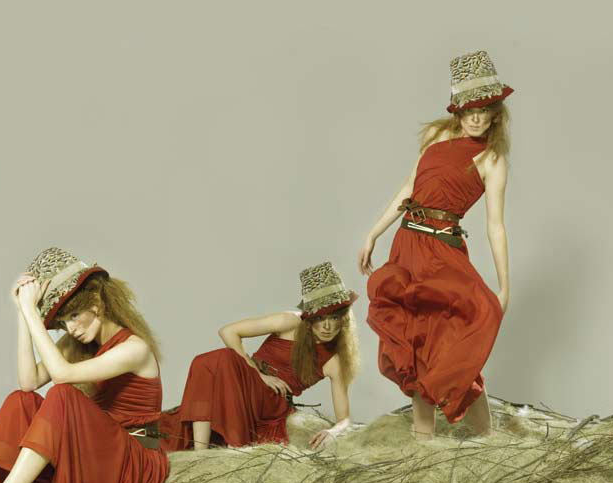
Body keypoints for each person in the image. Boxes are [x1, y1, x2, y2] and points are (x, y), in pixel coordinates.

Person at [0, 247, 168, 483]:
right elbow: (28, 382)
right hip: (96, 447)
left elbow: (62, 376)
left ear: (96, 303)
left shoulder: (135, 349)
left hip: (133, 457)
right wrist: (23, 315)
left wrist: (32, 312)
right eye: (63, 323)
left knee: (62, 394)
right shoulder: (79, 342)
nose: (71, 329)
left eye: (74, 316)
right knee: (21, 400)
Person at [358, 50, 511, 439]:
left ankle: (487, 438)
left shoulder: (492, 159)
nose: (476, 117)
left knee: (452, 345)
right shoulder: (436, 137)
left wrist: (504, 286)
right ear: (458, 110)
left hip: (443, 253)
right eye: (468, 109)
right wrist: (374, 232)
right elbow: (410, 187)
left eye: (483, 109)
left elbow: (495, 225)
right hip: (407, 244)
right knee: (414, 342)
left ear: (495, 113)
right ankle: (423, 441)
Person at [160, 262, 359, 451]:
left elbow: (344, 419)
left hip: (271, 401)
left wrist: (333, 431)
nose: (327, 326)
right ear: (309, 318)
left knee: (221, 359)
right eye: (319, 318)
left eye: (334, 317)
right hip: (244, 378)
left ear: (344, 319)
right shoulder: (290, 322)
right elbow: (228, 331)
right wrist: (258, 374)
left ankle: (226, 445)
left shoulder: (334, 361)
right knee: (205, 361)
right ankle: (200, 452)